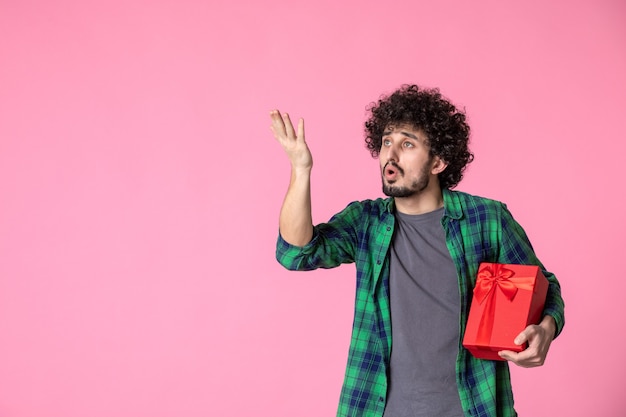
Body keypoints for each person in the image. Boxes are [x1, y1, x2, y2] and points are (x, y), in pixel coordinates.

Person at [269, 84, 565, 417]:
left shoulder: (485, 219)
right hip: (378, 408)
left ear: (438, 161)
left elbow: (544, 286)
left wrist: (546, 329)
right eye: (386, 142)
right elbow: (296, 254)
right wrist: (301, 170)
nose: (390, 156)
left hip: (473, 407)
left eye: (407, 144)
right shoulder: (366, 222)